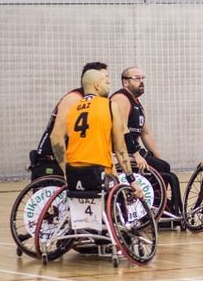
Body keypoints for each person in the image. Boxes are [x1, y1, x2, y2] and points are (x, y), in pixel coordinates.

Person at [49, 68, 142, 198]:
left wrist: (65, 170)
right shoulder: (109, 106)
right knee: (119, 210)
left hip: (73, 172)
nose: (109, 87)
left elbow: (55, 138)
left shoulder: (72, 107)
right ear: (97, 86)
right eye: (107, 83)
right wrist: (132, 180)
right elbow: (120, 150)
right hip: (99, 172)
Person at [111, 66, 182, 215]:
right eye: (136, 78)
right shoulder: (121, 98)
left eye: (142, 78)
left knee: (163, 166)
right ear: (125, 82)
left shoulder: (137, 103)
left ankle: (158, 205)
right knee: (160, 168)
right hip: (120, 151)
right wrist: (136, 154)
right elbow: (121, 129)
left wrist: (157, 157)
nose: (141, 81)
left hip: (133, 150)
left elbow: (146, 133)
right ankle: (155, 207)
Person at [29, 61, 108, 180]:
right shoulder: (74, 99)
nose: (108, 81)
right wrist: (66, 171)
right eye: (104, 77)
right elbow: (56, 137)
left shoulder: (96, 102)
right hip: (52, 163)